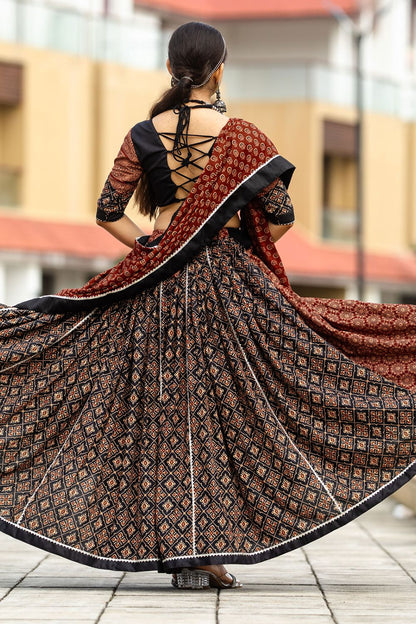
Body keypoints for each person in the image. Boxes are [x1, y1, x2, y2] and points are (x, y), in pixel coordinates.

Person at [0, 22, 415, 592]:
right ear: (219, 69)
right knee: (228, 414)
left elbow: (108, 210)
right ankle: (203, 550)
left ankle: (176, 550)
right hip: (225, 284)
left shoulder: (144, 132)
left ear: (173, 69)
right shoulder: (243, 136)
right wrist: (239, 249)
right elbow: (281, 215)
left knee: (158, 418)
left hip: (151, 286)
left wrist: (154, 247)